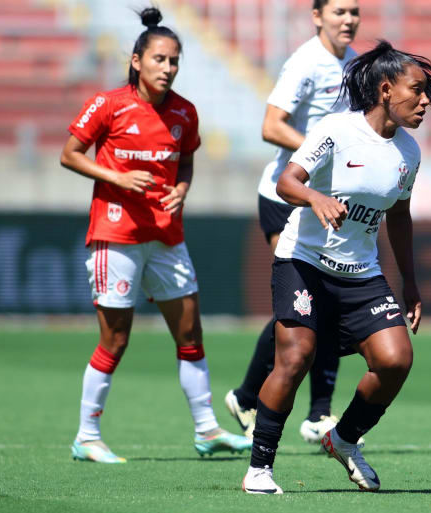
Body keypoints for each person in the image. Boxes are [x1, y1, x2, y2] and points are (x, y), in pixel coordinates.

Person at [240, 40, 431, 494]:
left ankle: (343, 439)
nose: (425, 102)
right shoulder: (336, 130)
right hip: (303, 263)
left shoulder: (409, 153)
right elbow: (287, 181)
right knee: (295, 357)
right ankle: (259, 468)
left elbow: (399, 216)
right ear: (384, 90)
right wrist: (316, 197)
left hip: (361, 272)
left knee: (396, 361)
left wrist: (411, 284)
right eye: (416, 91)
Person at [60, 7, 251, 463]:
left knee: (190, 333)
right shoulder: (108, 104)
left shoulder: (185, 112)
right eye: (160, 59)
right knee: (116, 340)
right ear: (136, 60)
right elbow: (69, 154)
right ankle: (86, 436)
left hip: (167, 236)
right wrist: (117, 178)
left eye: (174, 61)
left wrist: (182, 187)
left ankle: (207, 430)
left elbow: (185, 159)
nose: (167, 68)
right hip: (116, 234)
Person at [224, 0, 364, 447]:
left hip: (324, 197)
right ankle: (258, 399)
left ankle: (310, 411)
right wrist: (319, 149)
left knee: (324, 299)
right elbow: (271, 124)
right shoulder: (306, 62)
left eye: (355, 11)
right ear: (317, 15)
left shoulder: (354, 64)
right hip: (285, 196)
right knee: (307, 301)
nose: (349, 19)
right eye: (339, 11)